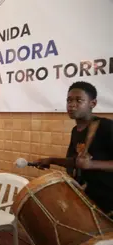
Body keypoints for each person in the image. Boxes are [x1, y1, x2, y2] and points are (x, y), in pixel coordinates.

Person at [36, 81, 113, 218]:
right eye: (69, 100)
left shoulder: (107, 127)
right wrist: (51, 160)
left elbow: (86, 163)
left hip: (108, 202)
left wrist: (92, 165)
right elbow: (76, 161)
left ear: (92, 103)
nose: (72, 105)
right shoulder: (75, 131)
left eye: (79, 100)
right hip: (86, 198)